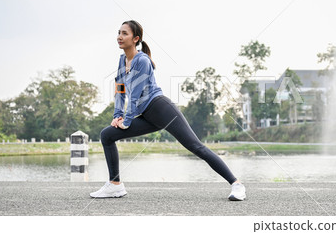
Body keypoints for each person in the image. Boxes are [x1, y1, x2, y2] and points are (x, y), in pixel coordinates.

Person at [90, 20, 246, 201]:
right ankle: (115, 185)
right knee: (107, 135)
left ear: (136, 39)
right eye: (119, 32)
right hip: (146, 114)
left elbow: (135, 95)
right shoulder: (122, 60)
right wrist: (117, 115)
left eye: (125, 33)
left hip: (161, 108)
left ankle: (237, 185)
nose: (119, 36)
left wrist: (126, 119)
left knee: (196, 147)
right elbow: (120, 90)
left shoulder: (142, 60)